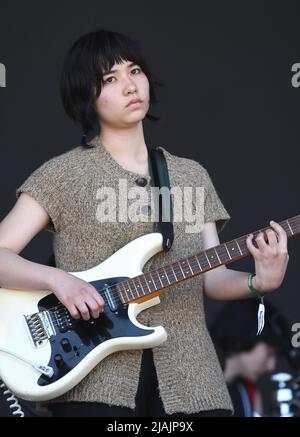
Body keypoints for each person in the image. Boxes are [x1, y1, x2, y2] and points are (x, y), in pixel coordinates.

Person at [0, 28, 289, 417]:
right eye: (109, 79)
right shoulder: (62, 175)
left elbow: (212, 276)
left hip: (192, 380)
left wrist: (260, 281)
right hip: (94, 381)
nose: (130, 85)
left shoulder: (191, 175)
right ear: (86, 96)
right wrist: (59, 280)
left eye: (134, 70)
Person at [210, 299, 287, 417]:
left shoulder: (250, 395)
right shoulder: (193, 386)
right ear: (246, 335)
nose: (271, 366)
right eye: (269, 353)